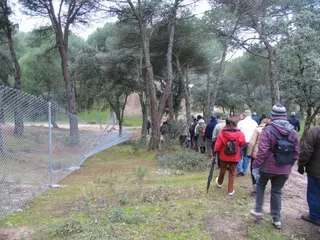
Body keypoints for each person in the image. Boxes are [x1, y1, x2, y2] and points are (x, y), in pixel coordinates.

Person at [250, 104, 299, 229]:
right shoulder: (293, 131)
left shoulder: (268, 130)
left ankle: (258, 210)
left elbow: (263, 151)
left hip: (268, 167)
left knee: (261, 185)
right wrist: (290, 165)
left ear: (273, 115)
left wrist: (256, 165)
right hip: (284, 169)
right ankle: (277, 219)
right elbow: (297, 152)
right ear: (285, 115)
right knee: (277, 191)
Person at [214, 117, 246, 196]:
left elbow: (218, 145)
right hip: (234, 156)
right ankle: (230, 190)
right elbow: (243, 143)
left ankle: (219, 182)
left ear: (226, 123)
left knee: (223, 169)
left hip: (223, 156)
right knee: (232, 172)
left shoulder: (222, 133)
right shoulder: (239, 133)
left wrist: (215, 151)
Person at [298, 125, 320, 226]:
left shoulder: (316, 130)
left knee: (314, 194)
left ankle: (315, 216)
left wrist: (301, 164)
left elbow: (306, 150)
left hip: (316, 172)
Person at [247, 117, 271, 194]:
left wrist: (249, 153)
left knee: (254, 170)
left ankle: (255, 186)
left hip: (256, 154)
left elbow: (251, 143)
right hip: (266, 155)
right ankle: (261, 186)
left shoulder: (257, 130)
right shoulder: (271, 131)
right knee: (263, 170)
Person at [237, 110, 258, 176]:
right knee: (247, 156)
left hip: (241, 141)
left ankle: (240, 169)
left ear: (244, 115)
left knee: (238, 155)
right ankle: (245, 170)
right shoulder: (254, 123)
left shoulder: (241, 122)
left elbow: (237, 132)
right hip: (250, 142)